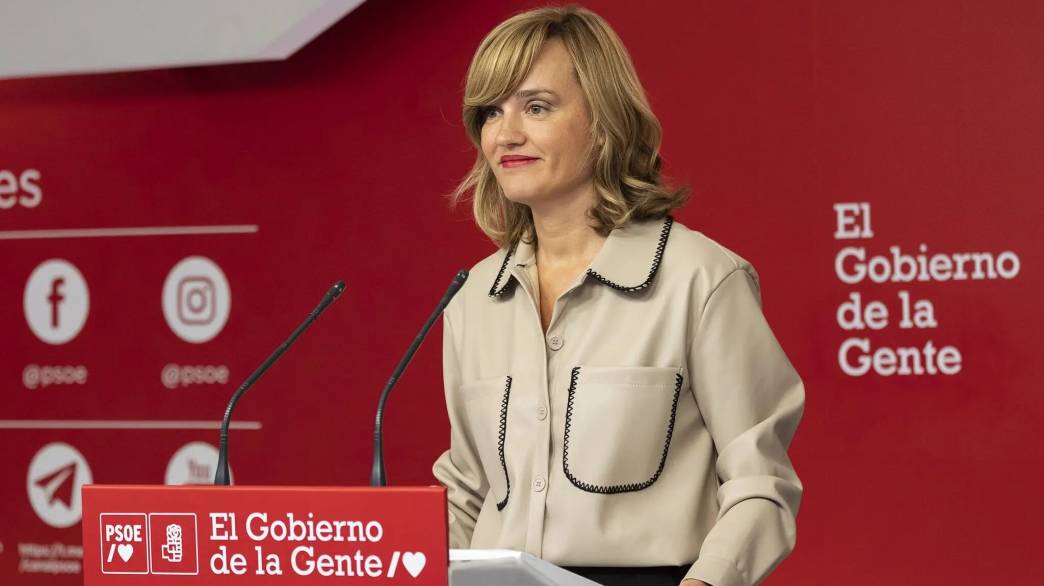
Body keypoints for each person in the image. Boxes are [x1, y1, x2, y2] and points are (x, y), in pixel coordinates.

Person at [432, 6, 804, 586]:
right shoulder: (471, 297)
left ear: (603, 120)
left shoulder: (699, 278)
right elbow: (467, 491)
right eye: (489, 112)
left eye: (536, 107)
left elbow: (762, 486)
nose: (505, 135)